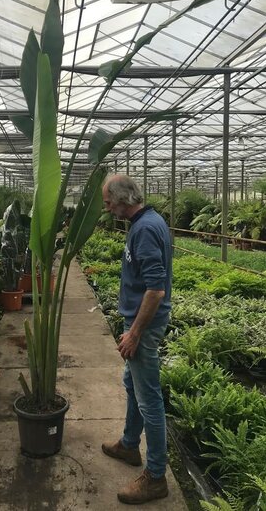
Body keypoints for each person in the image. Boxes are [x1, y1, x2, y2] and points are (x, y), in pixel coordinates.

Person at [101, 174, 172, 505]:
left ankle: (156, 477)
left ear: (122, 199)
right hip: (140, 321)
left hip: (145, 325)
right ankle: (130, 445)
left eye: (108, 201)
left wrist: (134, 333)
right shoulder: (149, 221)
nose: (107, 207)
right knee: (132, 383)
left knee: (149, 399)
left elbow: (156, 290)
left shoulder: (144, 229)